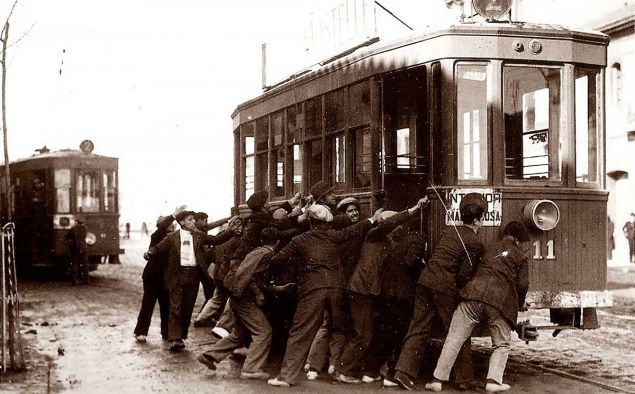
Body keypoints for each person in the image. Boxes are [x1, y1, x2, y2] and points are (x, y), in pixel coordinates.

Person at [266, 204, 383, 387]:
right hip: (337, 288)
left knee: (301, 331)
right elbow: (354, 229)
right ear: (326, 221)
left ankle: (287, 376)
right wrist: (372, 219)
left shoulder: (300, 240)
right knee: (341, 329)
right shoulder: (334, 236)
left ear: (311, 221)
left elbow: (277, 260)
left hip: (313, 289)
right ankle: (340, 370)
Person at [424, 221, 531, 393]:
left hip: (472, 298)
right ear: (518, 240)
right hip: (499, 304)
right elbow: (523, 284)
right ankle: (493, 382)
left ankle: (438, 380)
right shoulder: (520, 256)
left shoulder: (488, 247)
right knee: (501, 345)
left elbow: (468, 271)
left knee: (454, 339)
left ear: (504, 235)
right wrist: (519, 304)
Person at [393, 194, 486, 391]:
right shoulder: (475, 242)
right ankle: (464, 379)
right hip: (444, 287)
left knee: (418, 327)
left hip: (425, 281)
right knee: (459, 331)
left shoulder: (450, 231)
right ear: (477, 220)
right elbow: (463, 275)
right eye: (482, 218)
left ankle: (403, 372)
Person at [338, 198, 429, 384]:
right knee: (363, 335)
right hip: (361, 290)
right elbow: (389, 223)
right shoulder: (374, 235)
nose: (397, 228)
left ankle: (358, 369)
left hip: (371, 292)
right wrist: (412, 210)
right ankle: (343, 370)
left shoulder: (388, 242)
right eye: (393, 225)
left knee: (369, 333)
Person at [198, 228, 296, 380]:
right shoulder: (267, 254)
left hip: (237, 297)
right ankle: (251, 369)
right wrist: (258, 294)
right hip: (245, 299)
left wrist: (278, 288)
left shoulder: (256, 251)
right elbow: (250, 278)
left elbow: (251, 276)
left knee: (239, 335)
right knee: (263, 332)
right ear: (277, 242)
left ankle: (209, 356)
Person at [146, 210, 233, 352]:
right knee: (176, 307)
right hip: (176, 275)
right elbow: (159, 247)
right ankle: (175, 339)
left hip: (193, 276)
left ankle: (181, 335)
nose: (194, 222)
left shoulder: (198, 235)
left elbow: (214, 240)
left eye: (193, 219)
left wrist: (230, 231)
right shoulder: (172, 237)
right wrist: (150, 253)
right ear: (182, 223)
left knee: (187, 307)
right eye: (190, 220)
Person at [133, 207, 184, 342]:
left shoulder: (174, 238)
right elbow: (162, 227)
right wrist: (174, 215)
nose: (172, 227)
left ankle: (166, 333)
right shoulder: (157, 236)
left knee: (166, 305)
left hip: (165, 278)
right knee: (148, 304)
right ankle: (140, 332)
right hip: (153, 277)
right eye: (170, 225)